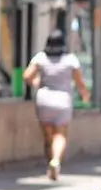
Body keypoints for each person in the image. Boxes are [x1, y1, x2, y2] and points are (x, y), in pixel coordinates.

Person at [24, 28, 90, 181]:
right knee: (60, 134)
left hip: (44, 99)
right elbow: (79, 82)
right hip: (63, 100)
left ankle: (50, 165)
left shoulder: (40, 57)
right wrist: (85, 95)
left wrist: (36, 83)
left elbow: (27, 75)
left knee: (48, 137)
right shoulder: (70, 59)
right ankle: (55, 161)